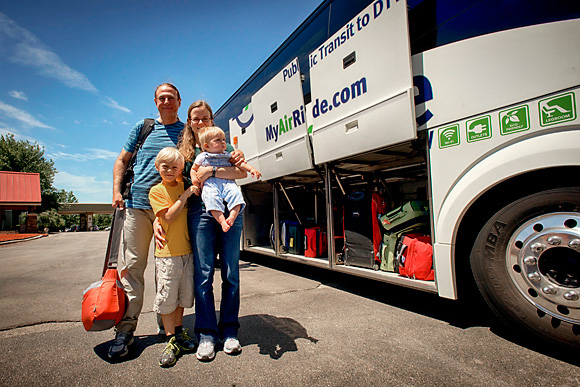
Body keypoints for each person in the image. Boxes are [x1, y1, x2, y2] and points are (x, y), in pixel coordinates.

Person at [110, 83, 196, 359]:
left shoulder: (186, 132)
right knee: (133, 268)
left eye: (171, 97)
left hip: (172, 211)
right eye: (162, 98)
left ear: (179, 101)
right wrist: (116, 191)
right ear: (155, 102)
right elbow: (122, 160)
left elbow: (200, 162)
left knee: (166, 268)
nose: (166, 101)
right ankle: (125, 330)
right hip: (137, 206)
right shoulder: (143, 128)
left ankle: (166, 327)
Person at [156, 100, 246, 361]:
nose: (200, 123)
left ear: (212, 120)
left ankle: (230, 331)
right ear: (189, 122)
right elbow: (169, 182)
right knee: (203, 273)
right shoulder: (183, 151)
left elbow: (241, 173)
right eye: (195, 119)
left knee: (231, 273)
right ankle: (207, 334)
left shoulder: (223, 144)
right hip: (199, 213)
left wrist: (212, 170)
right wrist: (157, 217)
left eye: (205, 118)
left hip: (230, 209)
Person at [149, 147, 196, 367]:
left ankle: (178, 333)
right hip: (167, 254)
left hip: (186, 251)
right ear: (157, 167)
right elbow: (167, 216)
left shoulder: (182, 184)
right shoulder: (157, 191)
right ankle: (169, 339)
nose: (169, 170)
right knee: (167, 298)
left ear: (180, 170)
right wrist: (185, 195)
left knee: (181, 297)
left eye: (174, 167)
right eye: (165, 166)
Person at [193, 126, 261, 232]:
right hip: (211, 184)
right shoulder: (202, 157)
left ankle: (232, 217)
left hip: (228, 182)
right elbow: (194, 169)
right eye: (218, 140)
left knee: (236, 195)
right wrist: (195, 180)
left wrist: (251, 169)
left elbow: (241, 165)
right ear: (206, 145)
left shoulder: (227, 155)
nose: (223, 142)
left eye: (224, 139)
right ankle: (222, 221)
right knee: (211, 199)